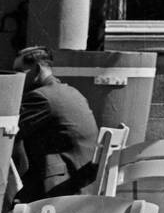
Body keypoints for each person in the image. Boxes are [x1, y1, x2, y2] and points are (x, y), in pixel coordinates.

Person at [11, 47, 99, 202]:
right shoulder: (72, 91)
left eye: (19, 71)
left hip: (58, 188)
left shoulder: (41, 97)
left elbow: (11, 132)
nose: (15, 77)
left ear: (37, 70)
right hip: (81, 182)